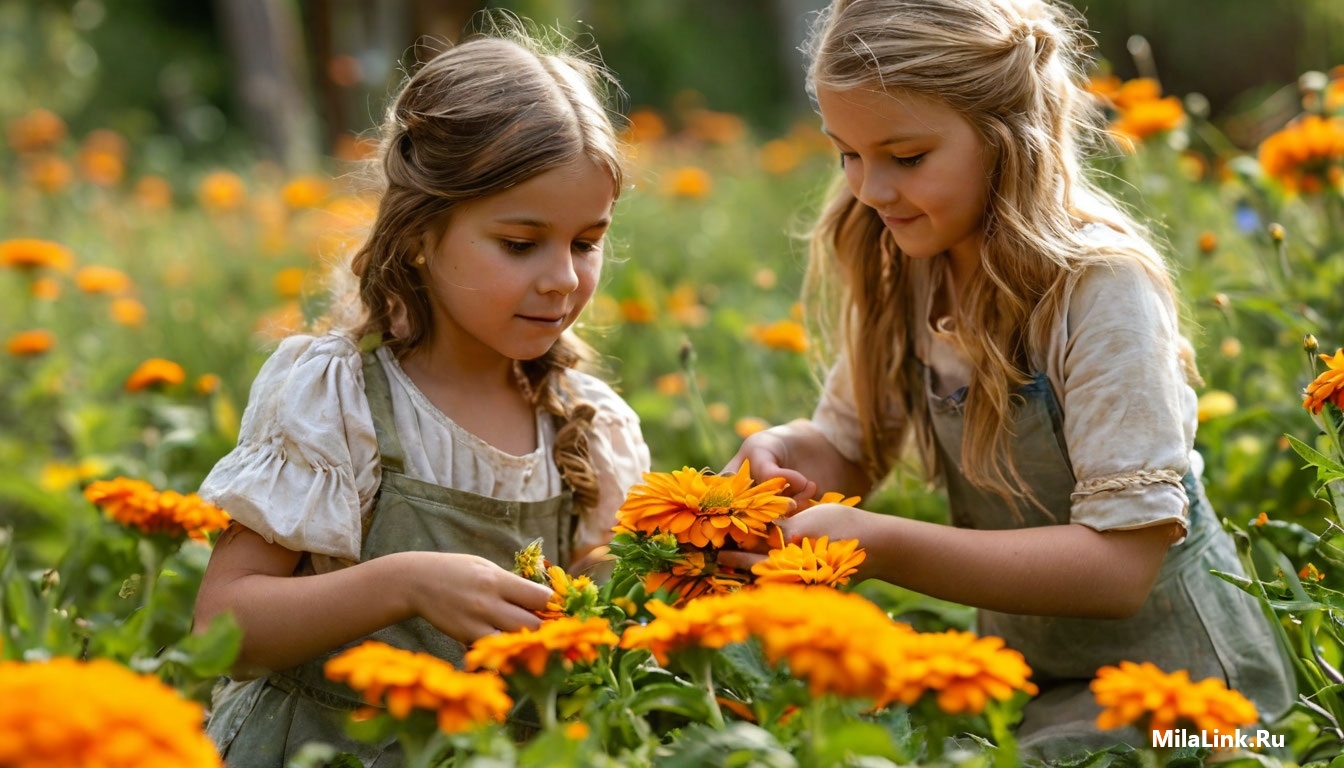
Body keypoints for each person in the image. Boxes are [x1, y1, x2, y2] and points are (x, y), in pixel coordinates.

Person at [720, 0, 1294, 759]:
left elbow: (1122, 567)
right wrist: (787, 456)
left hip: (1195, 701)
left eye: (906, 156)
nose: (869, 190)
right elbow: (850, 446)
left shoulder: (1097, 289)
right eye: (847, 154)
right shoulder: (911, 271)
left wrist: (875, 544)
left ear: (1007, 140)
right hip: (1029, 686)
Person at [191, 22, 650, 767]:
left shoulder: (588, 426)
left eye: (585, 242)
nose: (563, 277)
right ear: (419, 235)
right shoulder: (340, 399)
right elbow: (224, 628)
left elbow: (608, 620)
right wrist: (401, 584)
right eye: (520, 242)